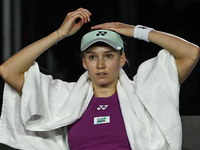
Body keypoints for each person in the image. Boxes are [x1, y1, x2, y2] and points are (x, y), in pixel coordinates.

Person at [0, 8, 199, 150]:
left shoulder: (143, 94)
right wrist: (59, 34)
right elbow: (8, 70)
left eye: (109, 55)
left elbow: (190, 52)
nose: (101, 64)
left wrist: (135, 31)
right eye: (93, 57)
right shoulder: (64, 98)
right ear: (84, 62)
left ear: (122, 59)